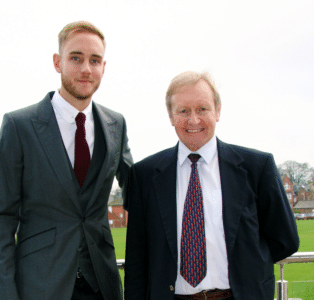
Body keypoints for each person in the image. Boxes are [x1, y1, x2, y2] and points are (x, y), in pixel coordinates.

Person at [0, 21, 133, 300]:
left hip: (102, 286)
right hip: (40, 286)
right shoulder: (19, 126)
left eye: (95, 60)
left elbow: (137, 191)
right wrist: (4, 294)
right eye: (76, 58)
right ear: (57, 62)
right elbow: (0, 219)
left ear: (104, 67)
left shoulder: (116, 124)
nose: (86, 69)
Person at [124, 71, 299, 300]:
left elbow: (285, 240)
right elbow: (137, 260)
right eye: (183, 111)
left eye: (202, 109)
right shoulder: (144, 175)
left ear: (218, 111)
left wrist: (248, 269)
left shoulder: (257, 167)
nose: (193, 120)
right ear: (170, 116)